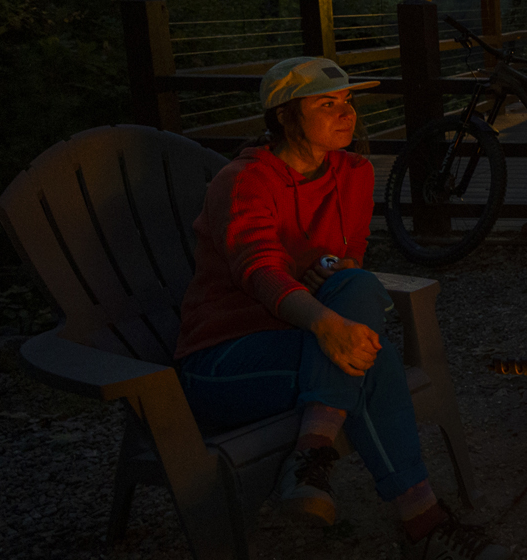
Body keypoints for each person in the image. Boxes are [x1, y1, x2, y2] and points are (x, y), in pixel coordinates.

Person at [174, 56, 508, 560]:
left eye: (348, 101)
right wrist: (325, 321)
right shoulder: (244, 181)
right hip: (224, 358)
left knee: (355, 288)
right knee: (371, 358)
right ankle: (423, 524)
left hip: (298, 340)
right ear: (285, 115)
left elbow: (348, 257)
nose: (346, 113)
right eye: (326, 104)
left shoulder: (353, 172)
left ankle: (312, 452)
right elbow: (257, 270)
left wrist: (329, 271)